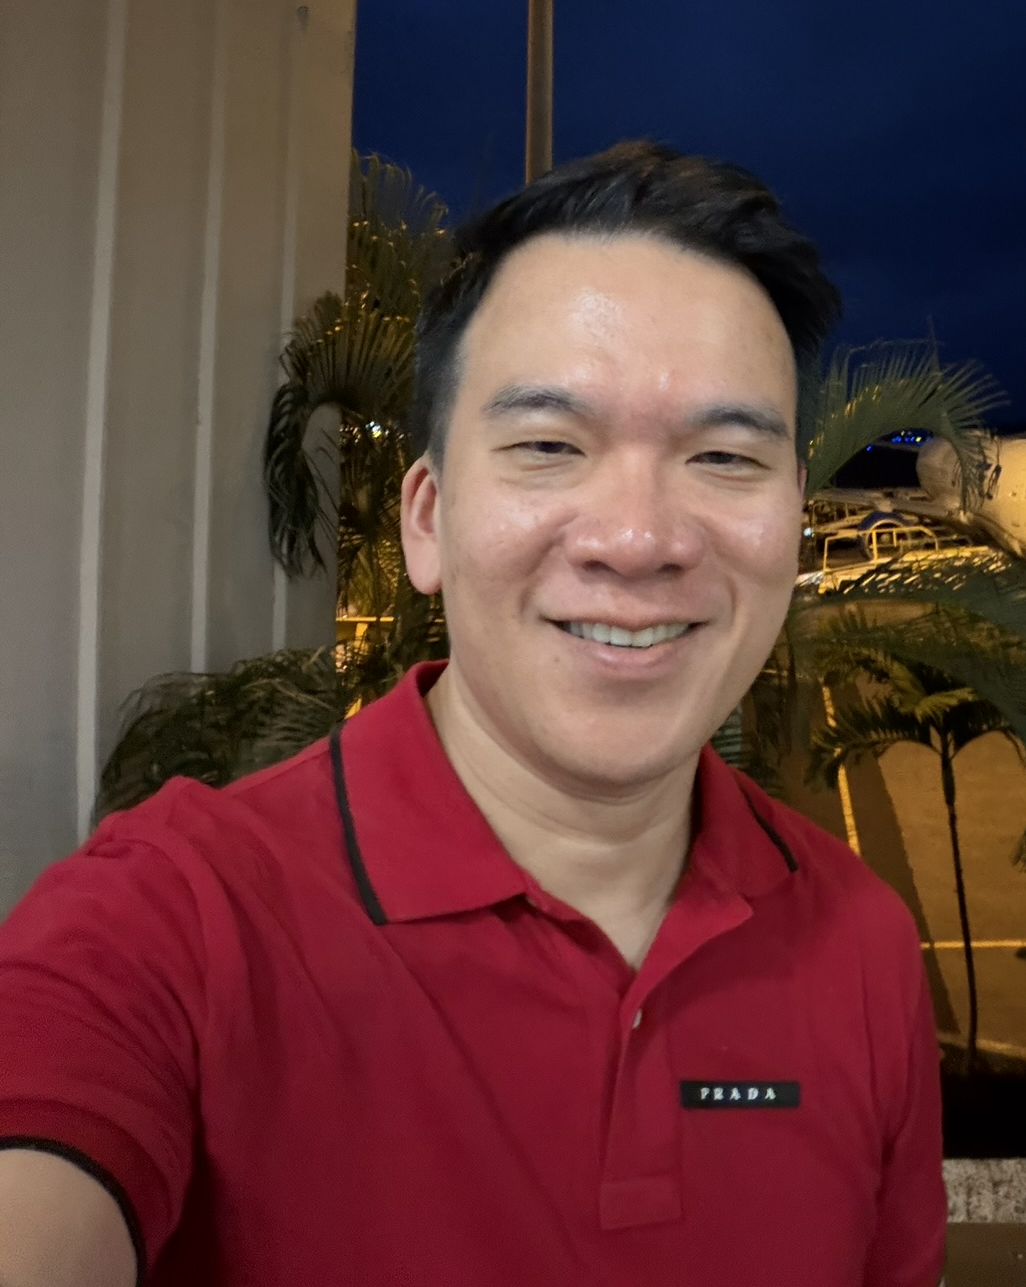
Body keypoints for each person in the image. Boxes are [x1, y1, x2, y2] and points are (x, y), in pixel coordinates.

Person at [0, 142, 947, 1286]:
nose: (638, 538)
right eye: (549, 446)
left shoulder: (860, 944)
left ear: (794, 518)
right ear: (427, 519)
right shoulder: (175, 921)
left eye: (724, 455)